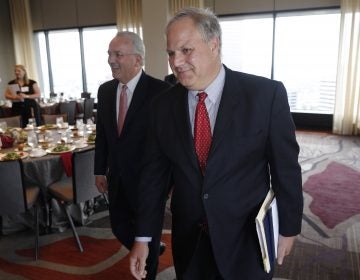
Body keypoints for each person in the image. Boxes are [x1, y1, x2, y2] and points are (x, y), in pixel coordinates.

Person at [129, 7, 303, 280]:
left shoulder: (265, 96)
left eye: (186, 50)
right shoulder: (162, 106)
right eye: (171, 53)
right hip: (190, 238)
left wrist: (288, 228)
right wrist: (142, 237)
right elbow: (154, 177)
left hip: (247, 239)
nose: (176, 62)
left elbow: (286, 169)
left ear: (214, 45)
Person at [94, 31, 171, 280]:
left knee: (147, 230)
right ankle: (151, 249)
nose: (111, 60)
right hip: (116, 176)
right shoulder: (105, 91)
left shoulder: (162, 92)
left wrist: (171, 181)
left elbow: (169, 142)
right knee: (118, 227)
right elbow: (103, 135)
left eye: (118, 54)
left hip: (149, 180)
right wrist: (98, 169)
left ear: (138, 60)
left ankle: (147, 271)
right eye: (109, 54)